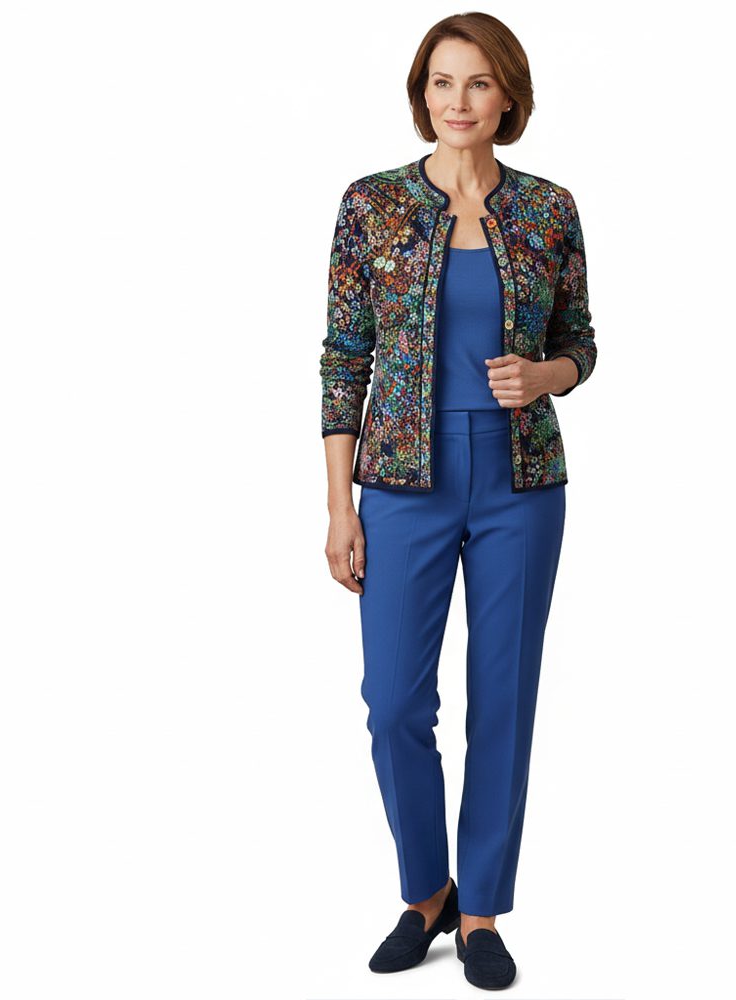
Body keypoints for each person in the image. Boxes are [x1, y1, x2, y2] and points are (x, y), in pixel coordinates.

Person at [320, 12, 597, 991]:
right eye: (442, 81)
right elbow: (343, 359)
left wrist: (547, 373)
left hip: (521, 482)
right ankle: (424, 889)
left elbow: (581, 341)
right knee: (394, 702)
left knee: (503, 700)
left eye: (478, 82)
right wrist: (339, 507)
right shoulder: (372, 205)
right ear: (421, 93)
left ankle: (480, 909)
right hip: (402, 482)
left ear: (507, 95)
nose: (458, 100)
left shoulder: (548, 209)